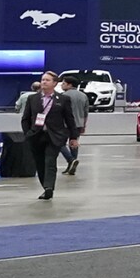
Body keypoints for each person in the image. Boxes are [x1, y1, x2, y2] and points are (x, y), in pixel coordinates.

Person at [18, 71, 78, 201]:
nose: (44, 82)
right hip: (36, 136)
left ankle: (49, 187)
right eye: (43, 79)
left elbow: (69, 120)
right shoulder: (32, 98)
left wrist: (73, 137)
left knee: (50, 161)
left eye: (47, 80)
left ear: (54, 83)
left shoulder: (63, 100)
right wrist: (28, 133)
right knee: (40, 163)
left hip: (54, 136)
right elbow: (25, 118)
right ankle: (45, 186)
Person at [57, 75, 90, 177]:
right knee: (74, 144)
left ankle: (70, 160)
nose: (62, 85)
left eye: (63, 83)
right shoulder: (83, 96)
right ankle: (72, 165)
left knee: (59, 143)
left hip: (65, 124)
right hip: (79, 124)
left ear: (69, 84)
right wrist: (84, 125)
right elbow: (86, 112)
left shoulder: (63, 96)